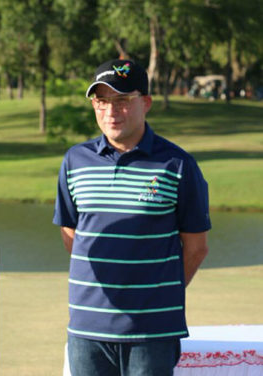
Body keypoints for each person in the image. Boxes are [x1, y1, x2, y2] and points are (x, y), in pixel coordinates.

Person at [53, 59, 210, 376]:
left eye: (122, 100)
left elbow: (196, 247)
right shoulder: (74, 161)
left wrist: (157, 294)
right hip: (86, 329)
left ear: (146, 103)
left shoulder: (178, 164)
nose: (111, 112)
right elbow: (72, 234)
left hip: (151, 332)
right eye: (102, 101)